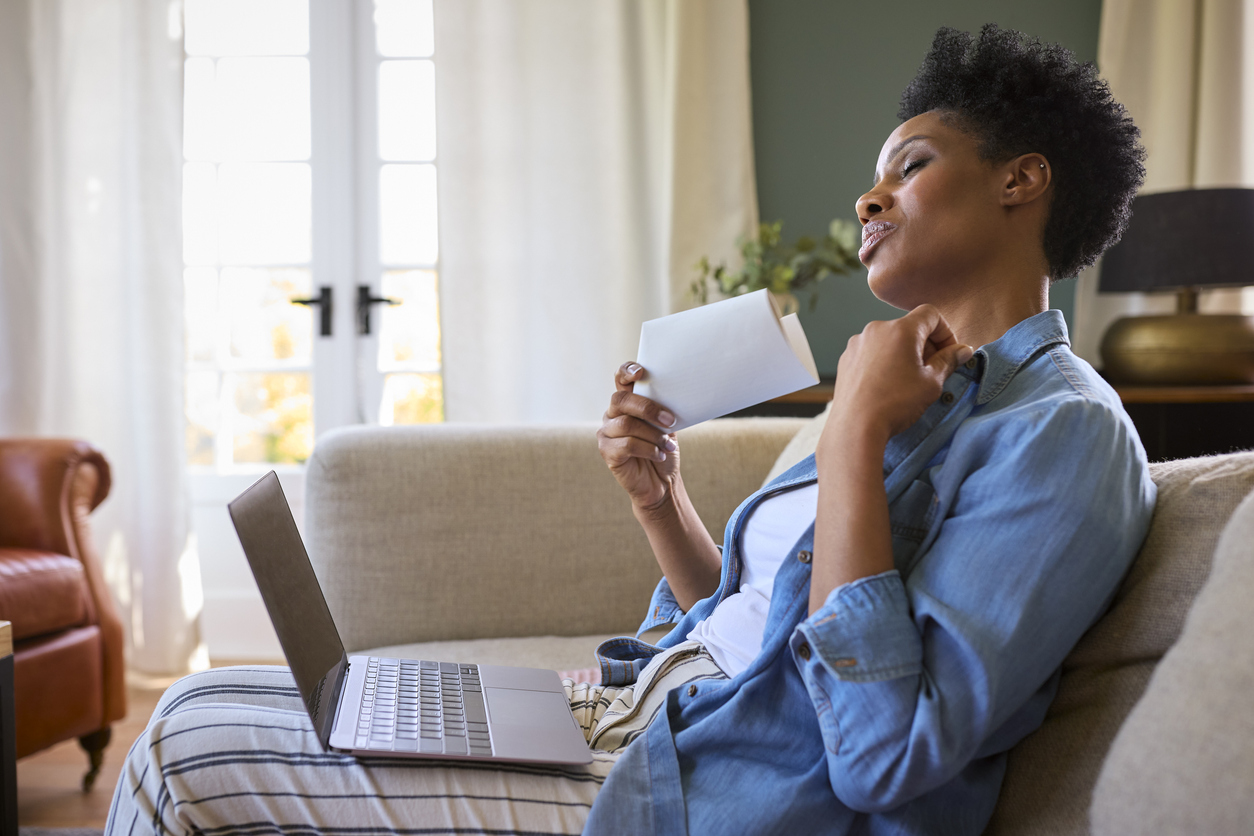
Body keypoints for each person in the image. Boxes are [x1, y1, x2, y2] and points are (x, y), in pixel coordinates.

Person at [105, 24, 1155, 836]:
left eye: (910, 164)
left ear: (1021, 179)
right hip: (633, 715)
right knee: (229, 698)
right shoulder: (905, 387)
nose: (868, 194)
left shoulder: (1064, 433)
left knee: (181, 744)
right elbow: (753, 633)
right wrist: (662, 499)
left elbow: (880, 754)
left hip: (703, 793)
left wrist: (850, 438)